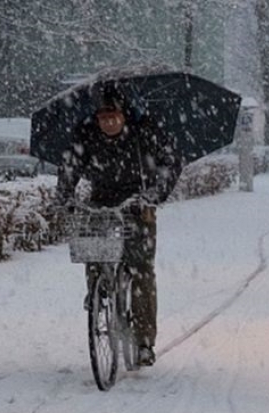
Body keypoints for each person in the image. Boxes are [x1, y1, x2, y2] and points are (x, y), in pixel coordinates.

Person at [56, 84, 183, 367]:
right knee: (93, 250)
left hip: (138, 202)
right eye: (103, 117)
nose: (108, 122)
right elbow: (70, 165)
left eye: (113, 116)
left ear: (124, 114)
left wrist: (152, 195)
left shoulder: (145, 130)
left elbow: (170, 162)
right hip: (100, 199)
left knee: (141, 270)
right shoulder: (85, 133)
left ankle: (144, 341)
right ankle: (98, 289)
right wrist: (65, 195)